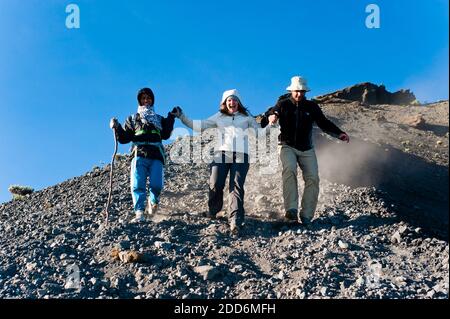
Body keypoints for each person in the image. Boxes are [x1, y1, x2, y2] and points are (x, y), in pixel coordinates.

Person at [261, 76, 349, 226]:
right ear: (291, 90)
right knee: (289, 170)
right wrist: (271, 117)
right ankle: (291, 211)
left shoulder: (311, 107)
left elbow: (323, 122)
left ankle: (307, 215)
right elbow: (269, 116)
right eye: (296, 91)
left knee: (313, 178)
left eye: (302, 91)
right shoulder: (282, 104)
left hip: (307, 148)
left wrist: (339, 133)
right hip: (286, 145)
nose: (299, 94)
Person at [172, 89, 262, 235]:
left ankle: (235, 220)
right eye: (229, 100)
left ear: (239, 102)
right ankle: (213, 211)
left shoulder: (247, 117)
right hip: (222, 153)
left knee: (236, 185)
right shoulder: (219, 117)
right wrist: (182, 116)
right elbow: (199, 125)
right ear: (225, 103)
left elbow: (260, 133)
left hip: (241, 155)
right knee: (215, 183)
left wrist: (272, 125)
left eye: (234, 100)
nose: (232, 103)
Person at [110, 87, 177, 223]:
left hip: (156, 154)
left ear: (152, 100)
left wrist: (171, 117)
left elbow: (165, 134)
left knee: (156, 185)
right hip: (139, 154)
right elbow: (124, 138)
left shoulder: (158, 119)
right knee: (137, 184)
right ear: (139, 101)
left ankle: (153, 202)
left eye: (148, 98)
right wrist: (117, 127)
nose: (146, 100)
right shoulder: (133, 119)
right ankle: (139, 212)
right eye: (143, 98)